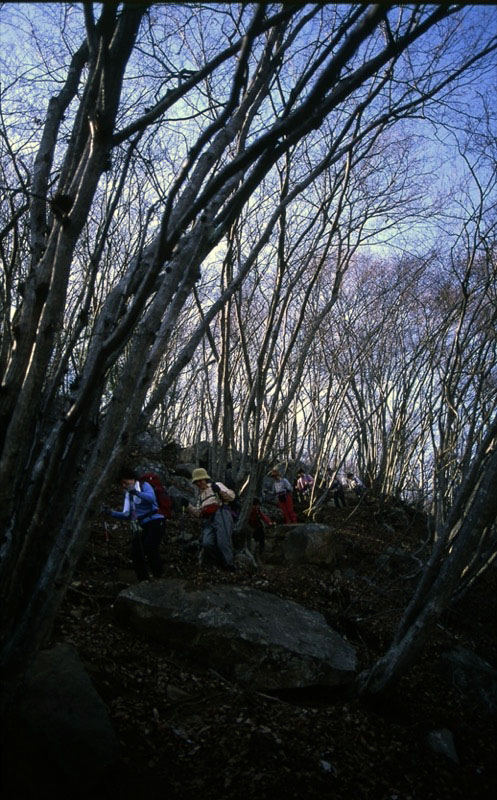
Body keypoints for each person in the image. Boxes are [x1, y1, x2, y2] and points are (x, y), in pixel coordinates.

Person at [108, 468, 165, 581]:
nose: (124, 485)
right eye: (122, 484)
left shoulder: (144, 486)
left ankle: (159, 577)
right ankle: (143, 580)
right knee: (136, 553)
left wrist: (136, 492)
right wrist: (110, 513)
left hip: (155, 521)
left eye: (126, 482)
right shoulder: (128, 495)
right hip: (142, 525)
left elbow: (151, 498)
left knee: (150, 547)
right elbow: (127, 514)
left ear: (133, 479)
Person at [185, 468, 236, 570]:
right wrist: (188, 506)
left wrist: (219, 491)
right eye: (197, 482)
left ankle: (229, 565)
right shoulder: (200, 496)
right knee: (207, 543)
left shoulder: (216, 485)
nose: (199, 483)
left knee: (223, 541)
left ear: (205, 479)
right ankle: (219, 562)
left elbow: (231, 496)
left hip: (221, 514)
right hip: (208, 520)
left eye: (201, 480)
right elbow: (198, 513)